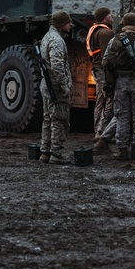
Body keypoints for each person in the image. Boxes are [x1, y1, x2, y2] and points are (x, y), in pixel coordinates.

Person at [102, 12, 135, 160]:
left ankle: (122, 150)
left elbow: (105, 61)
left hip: (120, 82)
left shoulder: (115, 40)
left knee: (121, 116)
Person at [38, 10, 74, 165]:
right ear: (61, 24)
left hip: (47, 85)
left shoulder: (47, 37)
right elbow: (57, 66)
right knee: (59, 120)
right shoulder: (57, 41)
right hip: (55, 87)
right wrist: (64, 86)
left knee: (48, 119)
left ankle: (45, 152)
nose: (70, 25)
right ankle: (56, 154)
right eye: (68, 23)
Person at [86, 6, 116, 145]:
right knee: (110, 100)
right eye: (110, 14)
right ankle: (103, 131)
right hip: (104, 71)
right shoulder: (105, 33)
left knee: (100, 101)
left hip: (97, 70)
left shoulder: (94, 30)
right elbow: (107, 56)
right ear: (105, 17)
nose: (112, 16)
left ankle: (97, 128)